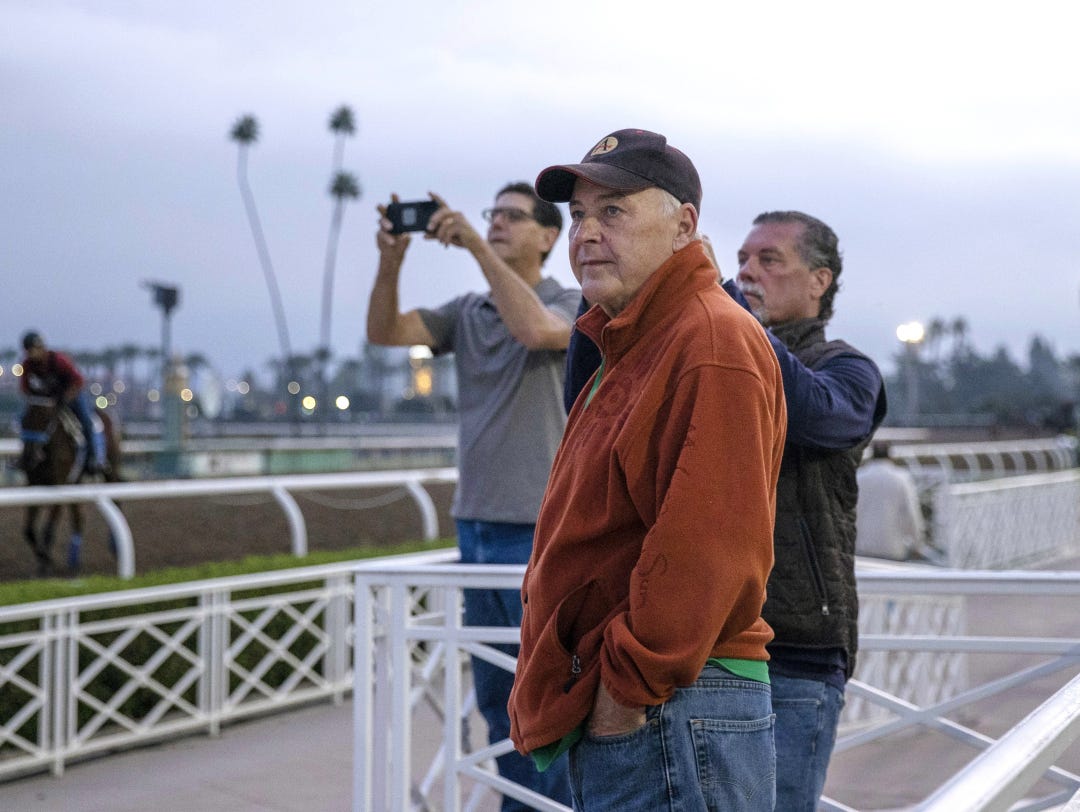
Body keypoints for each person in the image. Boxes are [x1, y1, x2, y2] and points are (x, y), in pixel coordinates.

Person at [508, 129, 787, 811]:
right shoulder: (642, 338)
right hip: (660, 705)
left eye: (614, 211)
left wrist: (624, 692)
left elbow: (707, 545)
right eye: (578, 216)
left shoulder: (709, 337)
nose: (586, 234)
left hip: (672, 705)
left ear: (684, 225)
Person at [365, 182, 577, 810]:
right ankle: (518, 805)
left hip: (536, 530)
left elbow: (537, 331)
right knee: (496, 700)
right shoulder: (468, 311)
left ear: (548, 237)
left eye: (514, 217)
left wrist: (480, 253)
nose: (498, 224)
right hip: (475, 527)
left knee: (543, 698)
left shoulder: (573, 301)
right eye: (493, 216)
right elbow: (385, 332)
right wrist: (390, 261)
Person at [735, 211, 887, 811]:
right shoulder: (722, 350)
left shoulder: (847, 370)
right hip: (705, 644)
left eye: (769, 260)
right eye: (742, 259)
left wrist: (736, 322)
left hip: (795, 650)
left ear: (819, 281)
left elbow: (808, 411)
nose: (748, 272)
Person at [19, 331, 107, 474]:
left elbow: (78, 381)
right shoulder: (27, 365)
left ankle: (94, 458)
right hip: (46, 402)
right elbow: (24, 388)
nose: (30, 354)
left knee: (86, 420)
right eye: (28, 351)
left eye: (32, 350)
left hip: (70, 397)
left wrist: (65, 398)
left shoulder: (58, 360)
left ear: (41, 348)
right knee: (25, 420)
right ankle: (27, 457)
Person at [856, 441, 927, 561]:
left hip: (862, 547)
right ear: (890, 455)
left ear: (872, 455)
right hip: (892, 548)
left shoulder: (859, 477)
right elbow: (911, 513)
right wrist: (917, 543)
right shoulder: (901, 478)